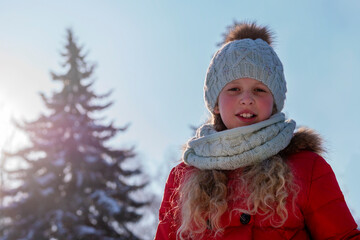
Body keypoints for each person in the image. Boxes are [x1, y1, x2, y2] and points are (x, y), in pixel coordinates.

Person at [155, 22, 360, 240]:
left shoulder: (307, 168)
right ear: (215, 104)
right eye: (234, 89)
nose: (246, 99)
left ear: (274, 104)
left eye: (259, 90)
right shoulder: (183, 178)